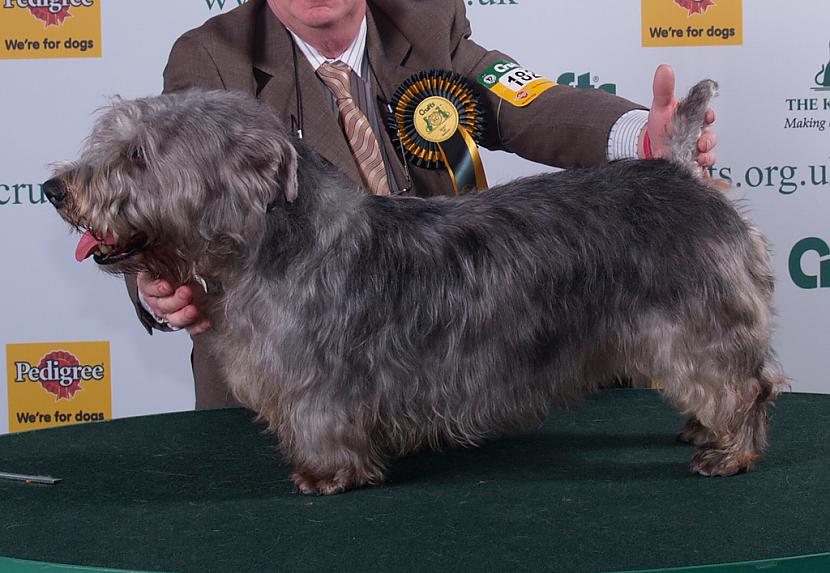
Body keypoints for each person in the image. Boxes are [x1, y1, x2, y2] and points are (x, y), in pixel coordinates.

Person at [130, 0, 717, 408]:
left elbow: (525, 100)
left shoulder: (424, 20)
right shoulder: (211, 59)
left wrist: (640, 138)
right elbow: (163, 191)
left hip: (443, 365)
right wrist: (158, 282)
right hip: (302, 381)